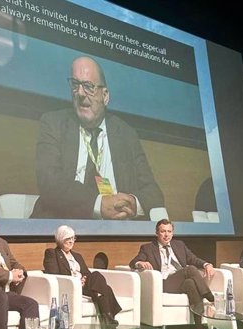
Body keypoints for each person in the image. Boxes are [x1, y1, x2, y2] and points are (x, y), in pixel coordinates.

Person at [31, 55, 164, 220]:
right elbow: (49, 183)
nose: (80, 93)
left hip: (116, 230)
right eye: (75, 84)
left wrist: (132, 203)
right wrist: (99, 204)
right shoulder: (53, 123)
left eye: (88, 86)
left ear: (105, 96)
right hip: (60, 226)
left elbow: (152, 192)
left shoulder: (126, 134)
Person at [43, 225, 128, 329]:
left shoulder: (77, 256)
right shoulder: (52, 253)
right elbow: (54, 274)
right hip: (70, 288)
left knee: (96, 276)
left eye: (73, 238)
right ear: (60, 239)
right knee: (107, 290)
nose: (71, 241)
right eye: (68, 239)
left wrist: (84, 278)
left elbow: (87, 273)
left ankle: (109, 324)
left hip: (85, 286)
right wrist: (76, 281)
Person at [129, 219, 216, 329]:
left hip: (180, 281)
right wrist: (140, 263)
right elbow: (133, 262)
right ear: (157, 233)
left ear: (172, 233)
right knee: (190, 269)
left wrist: (206, 264)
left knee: (191, 283)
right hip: (164, 283)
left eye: (169, 231)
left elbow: (193, 258)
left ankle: (198, 328)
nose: (166, 235)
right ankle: (212, 298)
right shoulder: (148, 248)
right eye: (163, 231)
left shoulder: (179, 245)